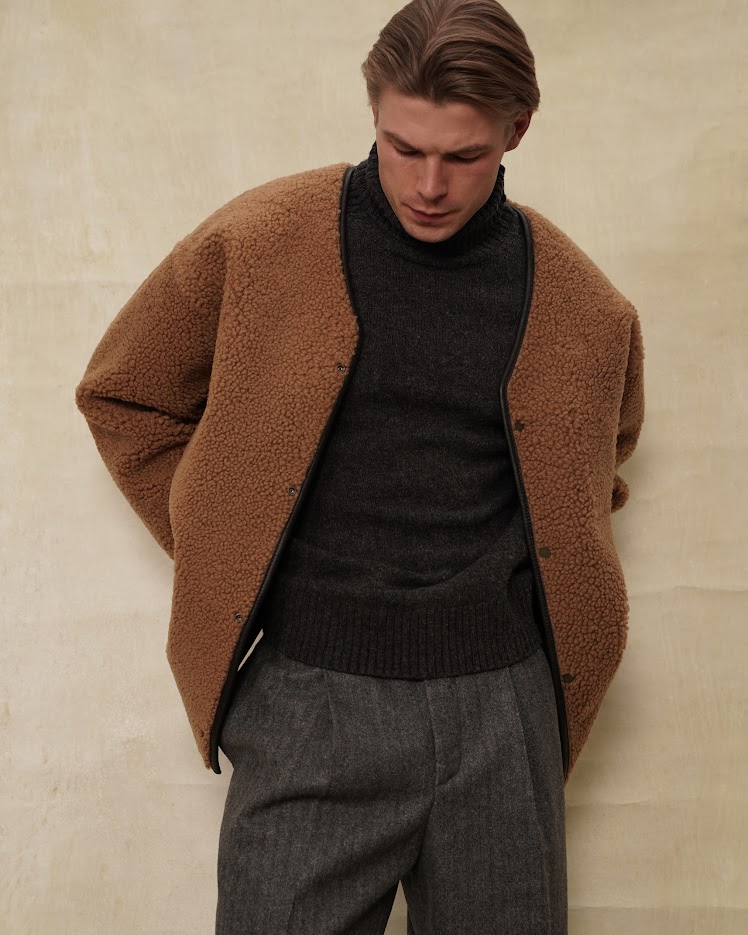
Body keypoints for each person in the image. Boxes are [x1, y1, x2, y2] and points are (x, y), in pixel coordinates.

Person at [75, 0, 645, 932]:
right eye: (401, 146)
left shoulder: (586, 306)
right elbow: (125, 394)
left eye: (463, 155)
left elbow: (592, 469)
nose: (428, 184)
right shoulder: (261, 241)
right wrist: (229, 537)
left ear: (517, 131)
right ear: (373, 111)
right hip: (309, 698)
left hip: (502, 711)